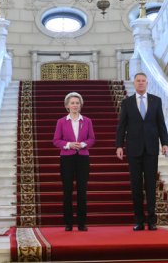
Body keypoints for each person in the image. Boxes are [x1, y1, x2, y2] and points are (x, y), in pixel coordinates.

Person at [116, 72, 168, 231]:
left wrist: (165, 143)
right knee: (136, 186)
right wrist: (119, 145)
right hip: (133, 149)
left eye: (143, 81)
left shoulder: (156, 101)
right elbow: (122, 126)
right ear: (134, 83)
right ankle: (139, 220)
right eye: (138, 81)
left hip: (151, 148)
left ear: (147, 83)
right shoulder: (127, 102)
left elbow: (161, 124)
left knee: (151, 185)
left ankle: (152, 221)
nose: (140, 83)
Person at [53, 92, 95, 231]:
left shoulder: (87, 121)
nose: (75, 105)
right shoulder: (61, 121)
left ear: (80, 105)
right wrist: (69, 145)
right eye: (72, 103)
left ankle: (82, 223)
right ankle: (69, 223)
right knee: (67, 190)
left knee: (82, 191)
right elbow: (56, 140)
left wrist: (83, 144)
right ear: (67, 105)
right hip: (67, 158)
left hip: (83, 157)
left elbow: (92, 139)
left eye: (77, 103)